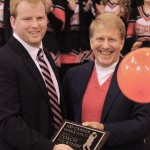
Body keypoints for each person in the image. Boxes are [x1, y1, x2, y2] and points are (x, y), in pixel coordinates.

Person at [62, 13, 150, 150]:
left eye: (112, 39)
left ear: (121, 43)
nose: (105, 45)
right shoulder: (73, 76)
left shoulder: (138, 77)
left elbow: (144, 124)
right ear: (91, 42)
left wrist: (103, 129)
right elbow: (67, 118)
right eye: (100, 39)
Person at [0, 0, 73, 150]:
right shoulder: (3, 60)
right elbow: (6, 122)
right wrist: (50, 148)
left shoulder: (45, 54)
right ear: (13, 21)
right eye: (27, 19)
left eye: (40, 18)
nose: (35, 25)